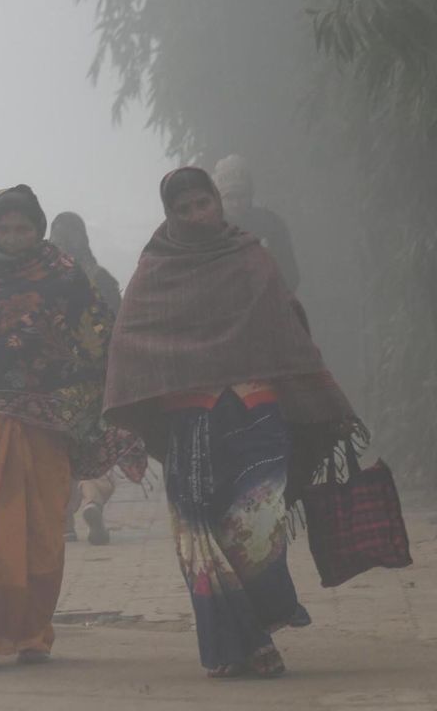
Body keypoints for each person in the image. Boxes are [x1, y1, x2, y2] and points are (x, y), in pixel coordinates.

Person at [103, 167, 360, 679]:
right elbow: (130, 341)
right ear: (170, 215)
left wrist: (319, 399)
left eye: (204, 203)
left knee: (256, 527)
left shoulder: (251, 256)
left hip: (254, 411)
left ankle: (257, 626)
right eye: (184, 209)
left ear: (217, 202)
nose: (197, 215)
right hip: (190, 421)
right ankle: (249, 645)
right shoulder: (156, 269)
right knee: (199, 533)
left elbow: (285, 327)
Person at [0, 185, 145, 672]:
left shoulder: (64, 274)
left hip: (49, 423)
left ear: (39, 229)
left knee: (42, 529)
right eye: (4, 228)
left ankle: (32, 633)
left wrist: (119, 404)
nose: (13, 237)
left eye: (23, 228)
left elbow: (98, 338)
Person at [49, 211, 124, 545]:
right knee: (94, 447)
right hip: (95, 380)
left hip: (54, 382)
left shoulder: (41, 279)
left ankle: (64, 522)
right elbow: (119, 328)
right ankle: (93, 501)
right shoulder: (101, 277)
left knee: (59, 451)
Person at [213, 154, 301, 291]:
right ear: (218, 199)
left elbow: (290, 274)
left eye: (241, 196)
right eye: (229, 197)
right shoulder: (211, 229)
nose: (236, 203)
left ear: (251, 194)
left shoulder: (272, 224)